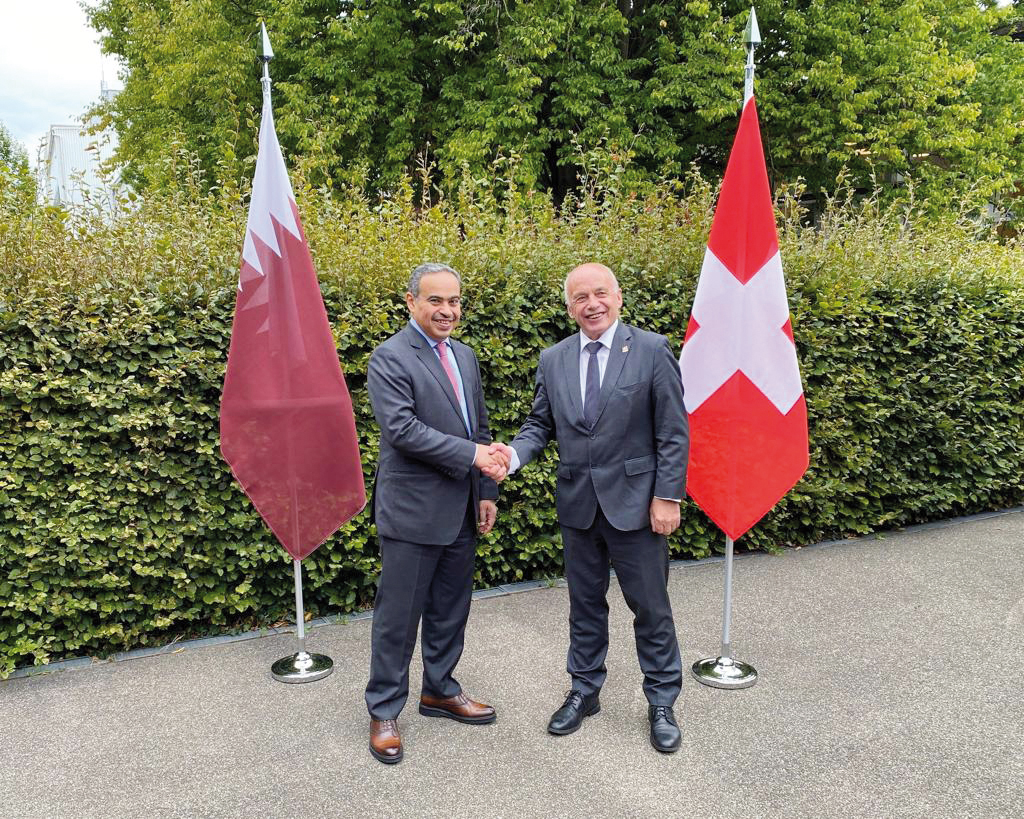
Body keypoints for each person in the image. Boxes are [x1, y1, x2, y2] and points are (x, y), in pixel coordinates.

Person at [495, 262, 689, 753]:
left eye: (600, 293)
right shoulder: (553, 359)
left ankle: (662, 700)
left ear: (618, 297)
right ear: (569, 307)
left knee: (650, 608)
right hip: (579, 507)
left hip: (638, 508)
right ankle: (584, 689)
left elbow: (672, 432)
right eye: (580, 297)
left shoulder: (651, 351)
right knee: (584, 606)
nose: (592, 304)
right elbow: (540, 425)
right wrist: (513, 455)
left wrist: (667, 496)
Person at [364, 262, 509, 765]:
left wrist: (486, 487)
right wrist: (473, 457)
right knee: (398, 619)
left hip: (463, 507)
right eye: (435, 301)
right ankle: (383, 710)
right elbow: (402, 430)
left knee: (451, 609)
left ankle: (439, 690)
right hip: (412, 511)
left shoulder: (464, 356)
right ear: (411, 302)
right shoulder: (389, 358)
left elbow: (480, 426)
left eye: (454, 301)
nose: (447, 311)